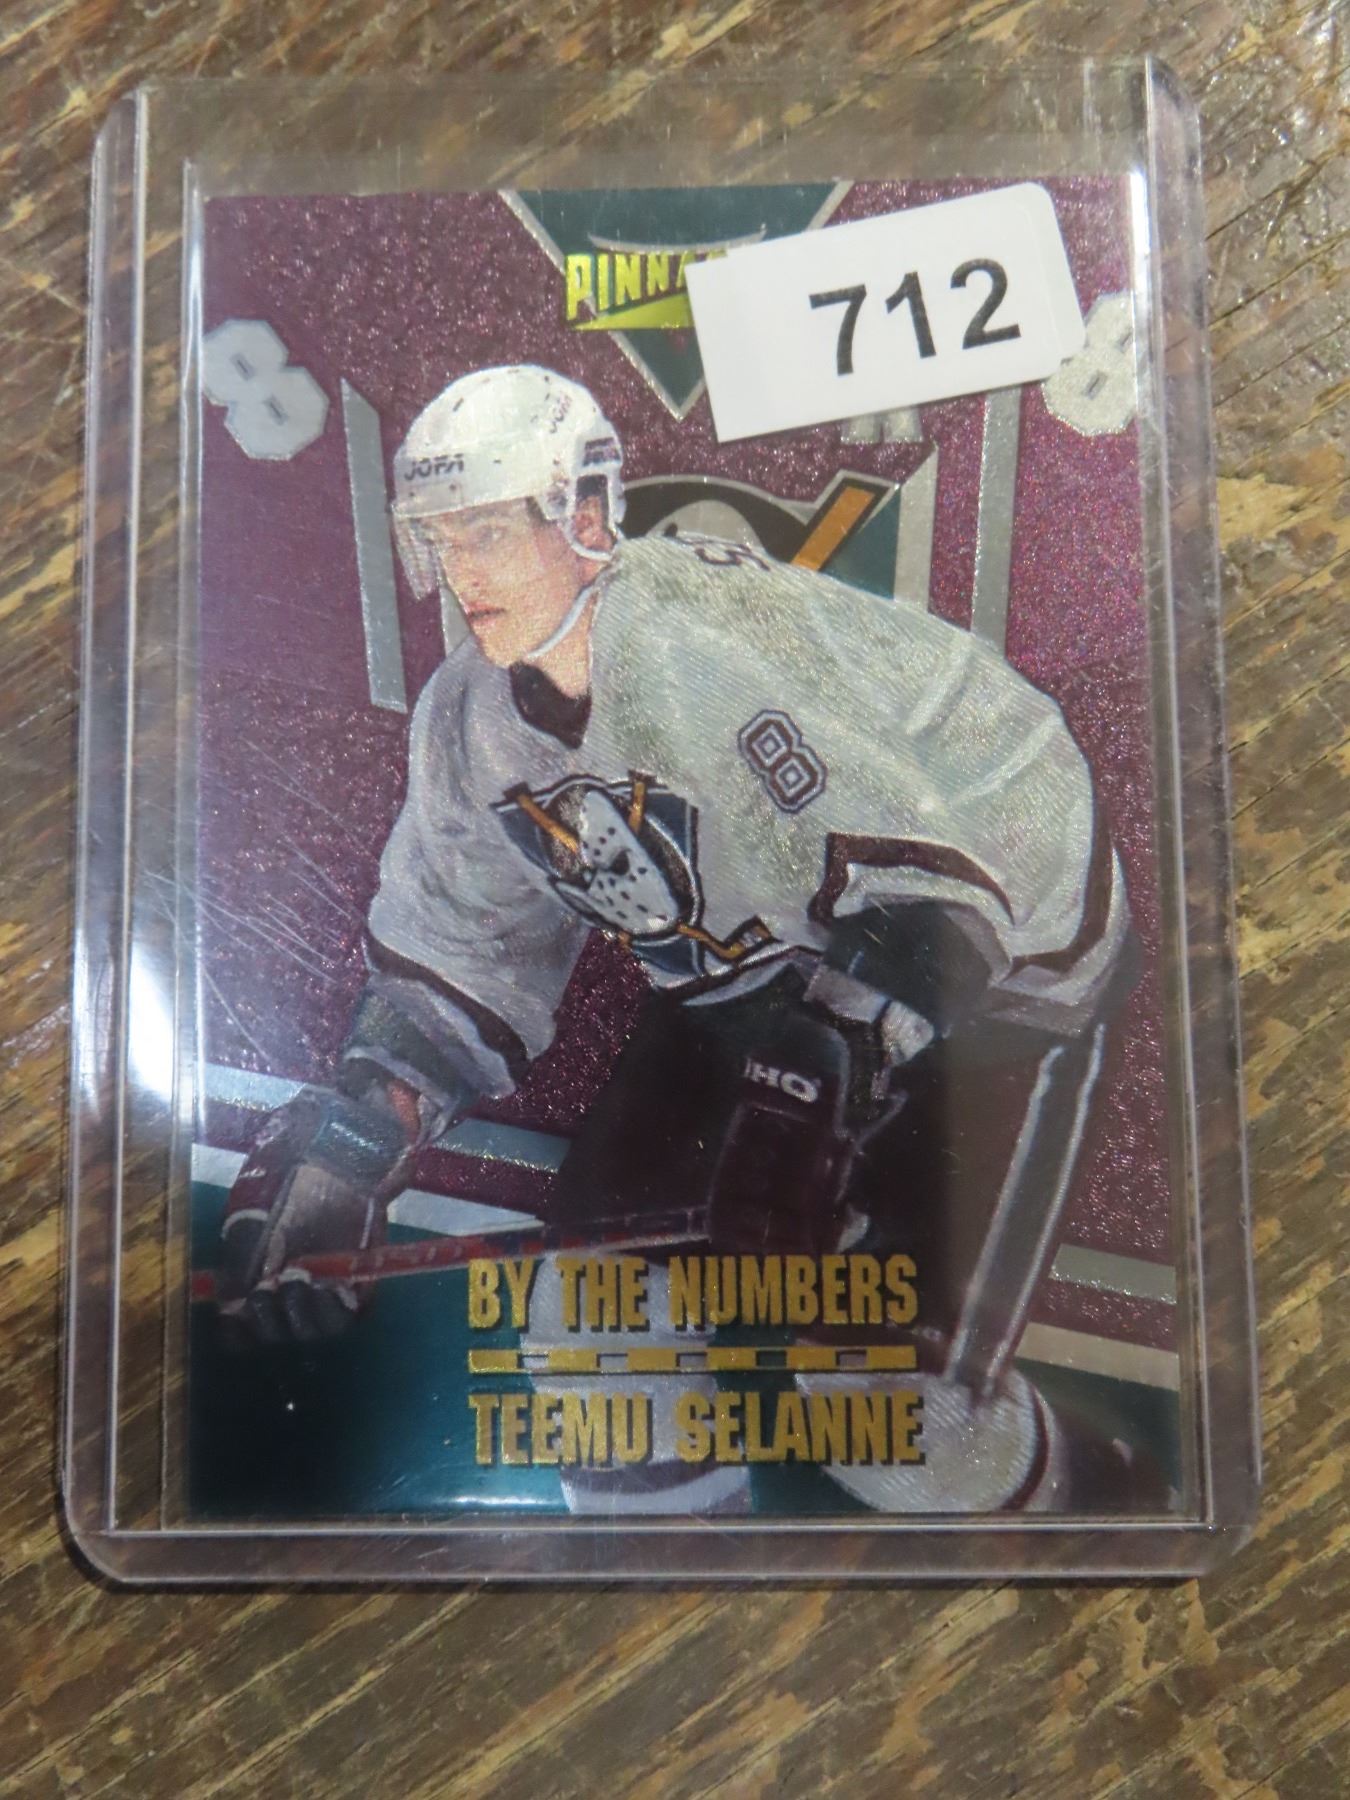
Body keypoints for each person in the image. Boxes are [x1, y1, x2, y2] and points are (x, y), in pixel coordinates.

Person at [218, 364, 1137, 1513]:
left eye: (489, 532)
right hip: (761, 984)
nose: (462, 573)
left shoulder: (707, 654)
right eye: (440, 540)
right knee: (593, 1348)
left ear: (586, 516)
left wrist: (822, 1080)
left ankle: (1120, 1509)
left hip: (1000, 986)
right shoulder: (469, 719)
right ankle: (678, 1610)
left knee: (896, 1420)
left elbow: (939, 904)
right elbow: (462, 957)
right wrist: (366, 1126)